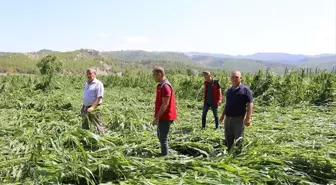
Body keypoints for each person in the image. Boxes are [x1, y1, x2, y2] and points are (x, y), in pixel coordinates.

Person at [220, 70, 253, 153]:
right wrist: (222, 115)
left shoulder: (245, 90)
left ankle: (238, 156)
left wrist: (248, 118)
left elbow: (250, 104)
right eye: (233, 77)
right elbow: (227, 104)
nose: (234, 79)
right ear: (230, 78)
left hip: (239, 119)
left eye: (237, 77)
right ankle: (230, 154)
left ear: (240, 78)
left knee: (238, 139)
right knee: (228, 138)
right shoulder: (229, 90)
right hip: (228, 119)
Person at [152, 66, 177, 156]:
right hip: (162, 115)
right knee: (160, 135)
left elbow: (165, 104)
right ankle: (165, 154)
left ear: (160, 74)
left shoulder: (165, 86)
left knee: (163, 138)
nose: (153, 77)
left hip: (166, 116)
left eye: (154, 75)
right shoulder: (161, 85)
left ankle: (165, 158)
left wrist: (157, 118)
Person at [81, 68, 106, 135]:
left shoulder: (98, 84)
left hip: (95, 108)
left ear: (94, 74)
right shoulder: (87, 83)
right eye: (87, 74)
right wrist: (83, 105)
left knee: (98, 124)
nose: (88, 75)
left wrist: (92, 107)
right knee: (84, 123)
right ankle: (85, 136)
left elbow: (99, 97)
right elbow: (86, 95)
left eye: (90, 73)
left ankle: (102, 137)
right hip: (85, 107)